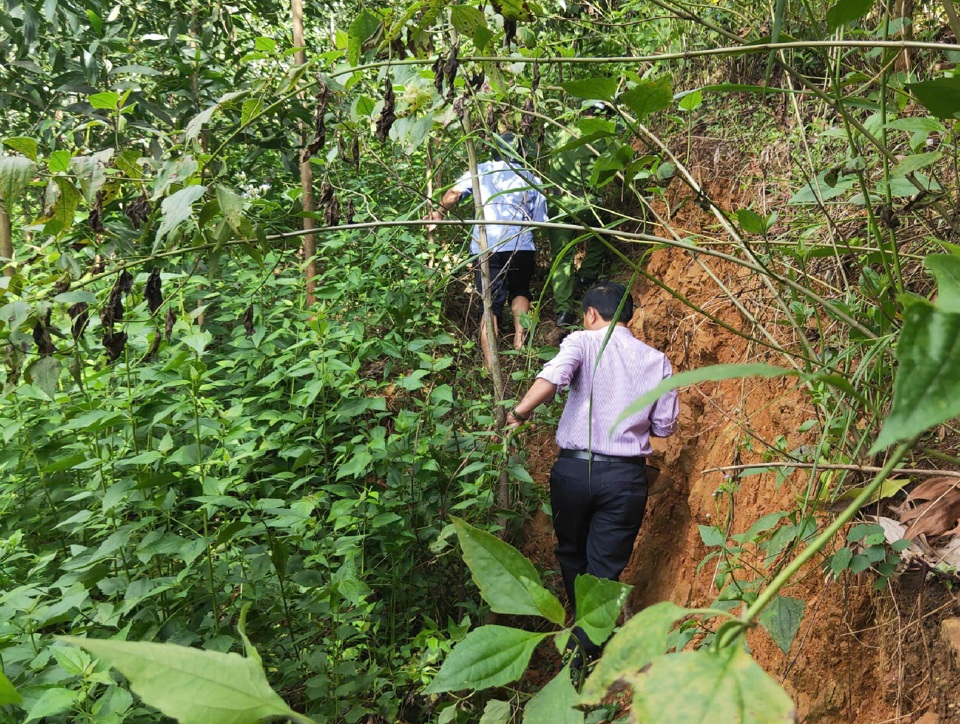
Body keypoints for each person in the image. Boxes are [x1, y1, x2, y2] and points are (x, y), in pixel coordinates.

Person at [507, 282, 679, 664]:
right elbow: (665, 426)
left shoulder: (583, 341)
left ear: (590, 314)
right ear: (628, 316)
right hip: (625, 478)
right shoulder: (657, 360)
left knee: (571, 551)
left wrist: (519, 412)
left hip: (573, 471)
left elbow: (554, 378)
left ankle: (582, 637)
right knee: (605, 566)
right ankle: (588, 640)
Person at [427, 133, 547, 364]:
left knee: (488, 301)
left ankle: (491, 365)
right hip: (521, 246)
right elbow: (539, 219)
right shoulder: (531, 177)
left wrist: (438, 213)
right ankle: (520, 346)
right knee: (520, 290)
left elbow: (454, 193)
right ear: (520, 152)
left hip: (486, 247)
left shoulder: (480, 170)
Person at [544, 103, 620, 328]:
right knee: (606, 226)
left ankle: (563, 311)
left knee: (561, 256)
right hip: (585, 202)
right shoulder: (602, 137)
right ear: (601, 116)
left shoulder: (561, 132)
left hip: (556, 204)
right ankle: (587, 274)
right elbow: (611, 171)